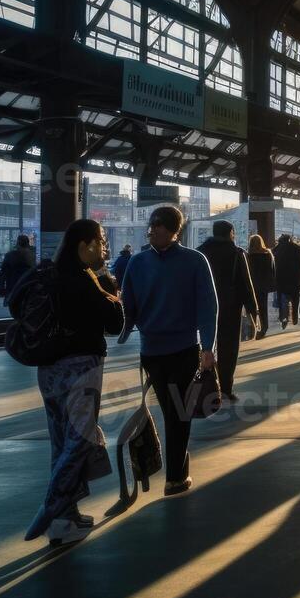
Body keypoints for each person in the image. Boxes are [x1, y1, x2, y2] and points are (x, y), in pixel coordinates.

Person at [24, 219, 122, 545]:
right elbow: (114, 322)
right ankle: (52, 507)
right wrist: (110, 289)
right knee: (79, 439)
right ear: (85, 245)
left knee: (59, 442)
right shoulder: (85, 280)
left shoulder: (51, 275)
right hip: (81, 370)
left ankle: (65, 520)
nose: (104, 249)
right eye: (101, 241)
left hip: (47, 371)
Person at [118, 205, 218, 496]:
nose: (152, 230)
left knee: (179, 413)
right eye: (151, 225)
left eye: (159, 226)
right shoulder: (137, 263)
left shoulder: (195, 261)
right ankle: (179, 466)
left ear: (175, 231)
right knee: (173, 411)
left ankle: (175, 476)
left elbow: (208, 307)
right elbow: (128, 308)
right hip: (152, 353)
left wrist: (209, 347)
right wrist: (121, 331)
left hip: (185, 350)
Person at [197, 220, 259, 403]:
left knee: (206, 346)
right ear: (230, 233)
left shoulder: (200, 252)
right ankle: (225, 389)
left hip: (204, 307)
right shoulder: (237, 253)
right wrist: (252, 309)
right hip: (230, 307)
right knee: (229, 349)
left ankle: (208, 388)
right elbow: (245, 284)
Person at [273, 233, 300, 328]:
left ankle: (284, 317)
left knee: (282, 300)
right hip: (295, 279)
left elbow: (272, 266)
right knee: (295, 299)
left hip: (281, 279)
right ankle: (295, 317)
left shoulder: (276, 250)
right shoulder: (299, 249)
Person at [246, 234, 276, 339]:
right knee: (263, 308)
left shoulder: (248, 255)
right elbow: (272, 270)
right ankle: (264, 328)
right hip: (263, 285)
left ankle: (253, 329)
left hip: (252, 285)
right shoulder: (268, 254)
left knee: (252, 307)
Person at [0, 233, 37, 306]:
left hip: (13, 286)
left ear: (18, 243)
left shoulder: (10, 255)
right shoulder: (31, 255)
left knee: (14, 305)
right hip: (27, 286)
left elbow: (3, 272)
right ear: (27, 243)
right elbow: (33, 270)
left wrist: (1, 286)